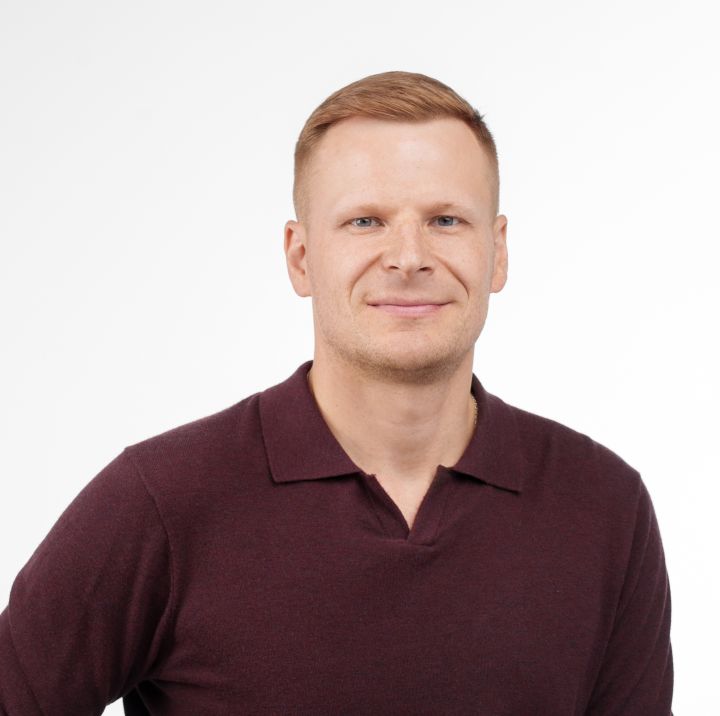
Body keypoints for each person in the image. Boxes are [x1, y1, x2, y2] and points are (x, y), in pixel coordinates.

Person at [0, 70, 673, 715]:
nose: (409, 257)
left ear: (497, 252)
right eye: (365, 221)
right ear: (300, 258)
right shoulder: (162, 503)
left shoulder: (604, 508)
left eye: (446, 220)